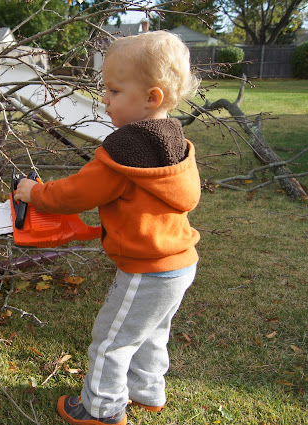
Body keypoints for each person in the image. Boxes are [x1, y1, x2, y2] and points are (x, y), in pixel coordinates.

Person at [13, 31, 201, 425]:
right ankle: (146, 391)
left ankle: (101, 409)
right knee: (150, 332)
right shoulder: (174, 142)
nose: (105, 99)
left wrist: (35, 192)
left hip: (146, 270)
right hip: (180, 263)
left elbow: (74, 194)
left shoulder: (125, 154)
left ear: (152, 98)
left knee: (112, 340)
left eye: (114, 90)